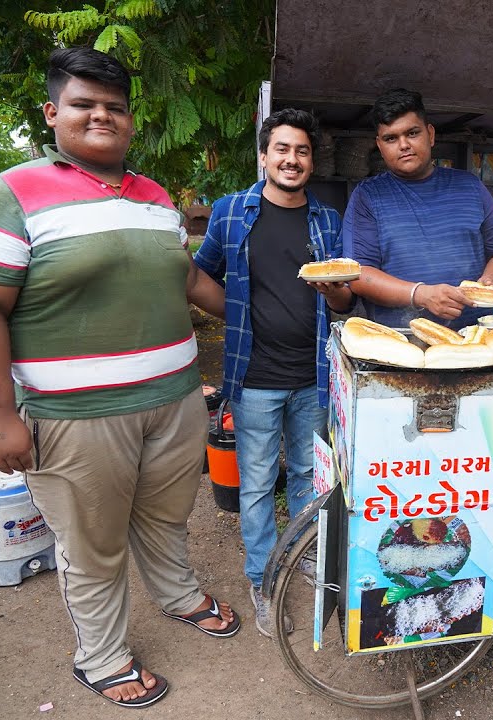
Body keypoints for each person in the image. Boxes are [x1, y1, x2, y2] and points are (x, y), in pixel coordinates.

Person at [0, 47, 237, 708]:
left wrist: (266, 312)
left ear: (132, 120)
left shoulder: (154, 195)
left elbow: (187, 279)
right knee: (92, 544)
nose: (101, 115)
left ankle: (177, 595)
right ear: (53, 113)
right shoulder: (13, 192)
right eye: (84, 104)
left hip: (172, 402)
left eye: (115, 106)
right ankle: (101, 657)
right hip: (74, 417)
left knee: (165, 518)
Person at [192, 108, 351, 637]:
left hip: (314, 374)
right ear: (264, 156)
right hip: (254, 376)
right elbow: (201, 276)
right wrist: (237, 315)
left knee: (308, 475)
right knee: (258, 485)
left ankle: (303, 556)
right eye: (281, 149)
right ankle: (263, 579)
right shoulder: (232, 212)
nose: (291, 158)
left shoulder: (327, 219)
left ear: (310, 161)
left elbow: (347, 293)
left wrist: (338, 293)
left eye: (302, 151)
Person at [344, 88, 493, 328]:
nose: (403, 145)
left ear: (430, 134)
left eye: (412, 133)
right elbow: (360, 274)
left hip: (476, 336)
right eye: (391, 138)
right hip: (403, 342)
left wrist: (484, 285)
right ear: (380, 146)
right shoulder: (367, 196)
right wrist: (421, 294)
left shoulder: (469, 186)